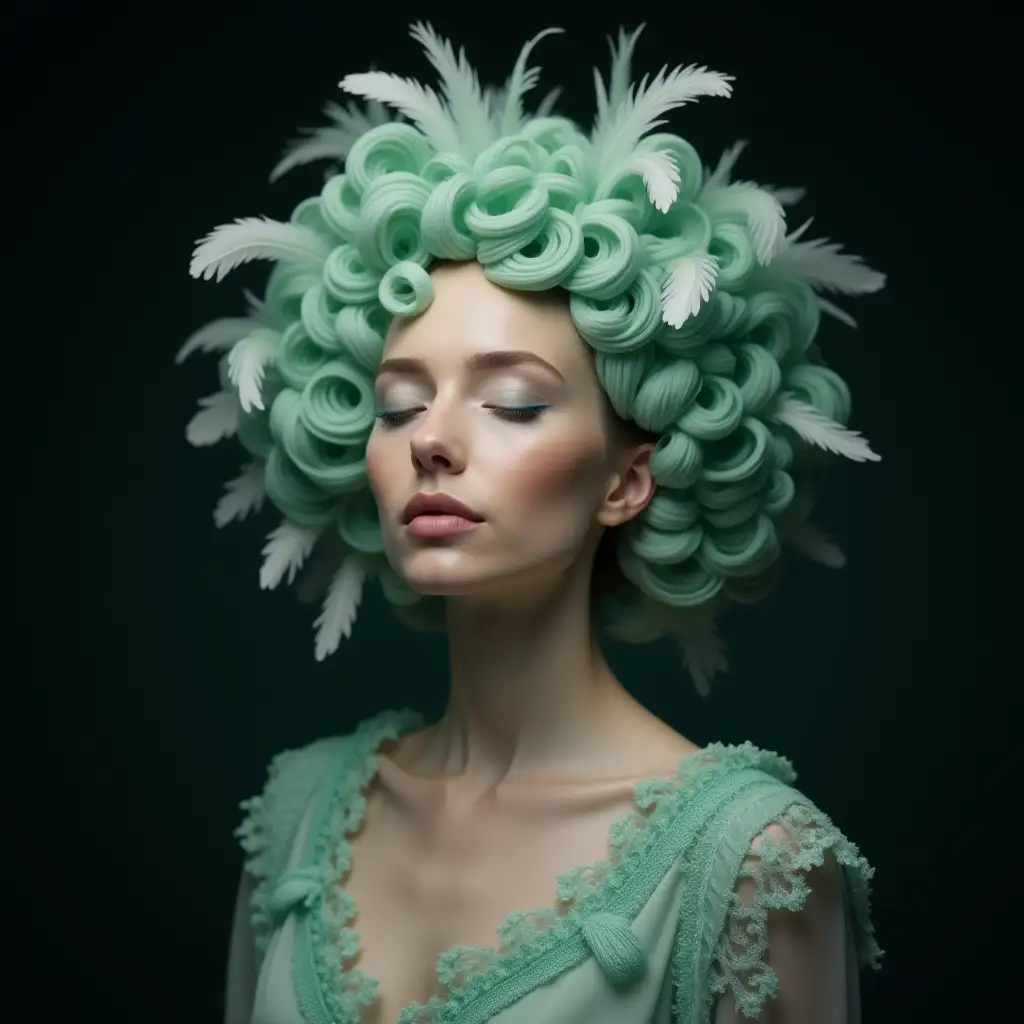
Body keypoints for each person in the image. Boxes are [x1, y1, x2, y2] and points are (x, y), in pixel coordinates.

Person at [180, 23, 885, 1024]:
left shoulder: (750, 861)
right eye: (394, 404)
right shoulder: (297, 816)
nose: (431, 440)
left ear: (627, 479)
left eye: (511, 401)